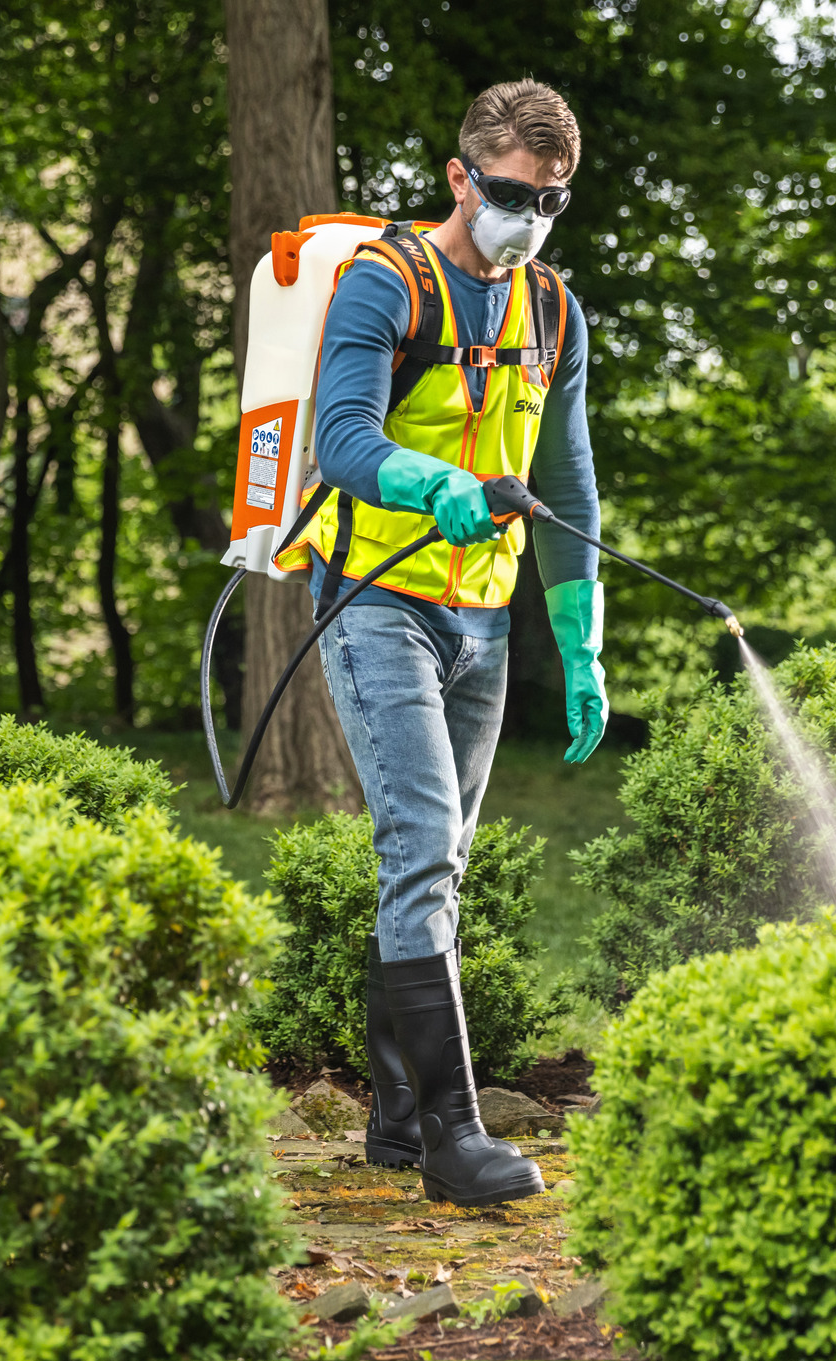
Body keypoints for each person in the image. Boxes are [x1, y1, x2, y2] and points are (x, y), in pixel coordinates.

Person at [279, 80, 603, 1206]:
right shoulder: (388, 283)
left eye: (554, 200)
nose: (532, 217)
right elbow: (347, 441)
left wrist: (582, 641)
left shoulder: (554, 311)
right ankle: (458, 1139)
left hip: (484, 625)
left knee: (436, 861)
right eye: (516, 194)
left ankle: (400, 1119)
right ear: (463, 177)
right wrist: (440, 485)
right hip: (377, 601)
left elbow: (568, 485)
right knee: (421, 845)